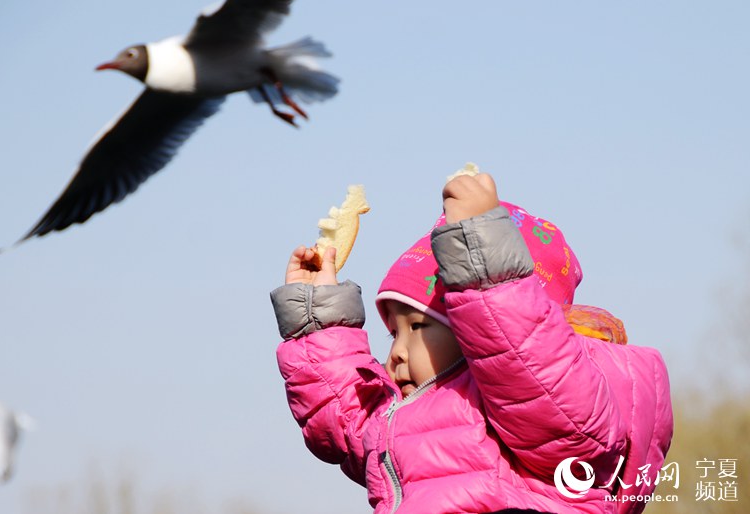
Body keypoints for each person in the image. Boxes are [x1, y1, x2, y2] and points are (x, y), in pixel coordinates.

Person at [270, 173, 673, 513]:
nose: (395, 353)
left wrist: (480, 260)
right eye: (394, 332)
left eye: (420, 327)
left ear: (479, 329)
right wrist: (316, 320)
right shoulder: (414, 422)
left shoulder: (545, 409)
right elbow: (348, 419)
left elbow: (525, 360)